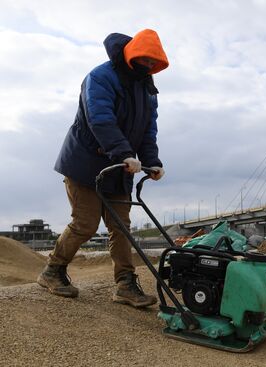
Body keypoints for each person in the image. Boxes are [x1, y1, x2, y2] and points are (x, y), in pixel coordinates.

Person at [37, 29, 169, 308]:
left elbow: (148, 131)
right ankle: (52, 271)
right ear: (132, 55)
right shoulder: (100, 77)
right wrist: (124, 153)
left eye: (152, 63)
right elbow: (100, 119)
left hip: (121, 167)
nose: (147, 66)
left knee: (121, 227)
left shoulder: (147, 89)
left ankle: (125, 284)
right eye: (144, 60)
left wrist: (152, 161)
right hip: (86, 163)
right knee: (85, 223)